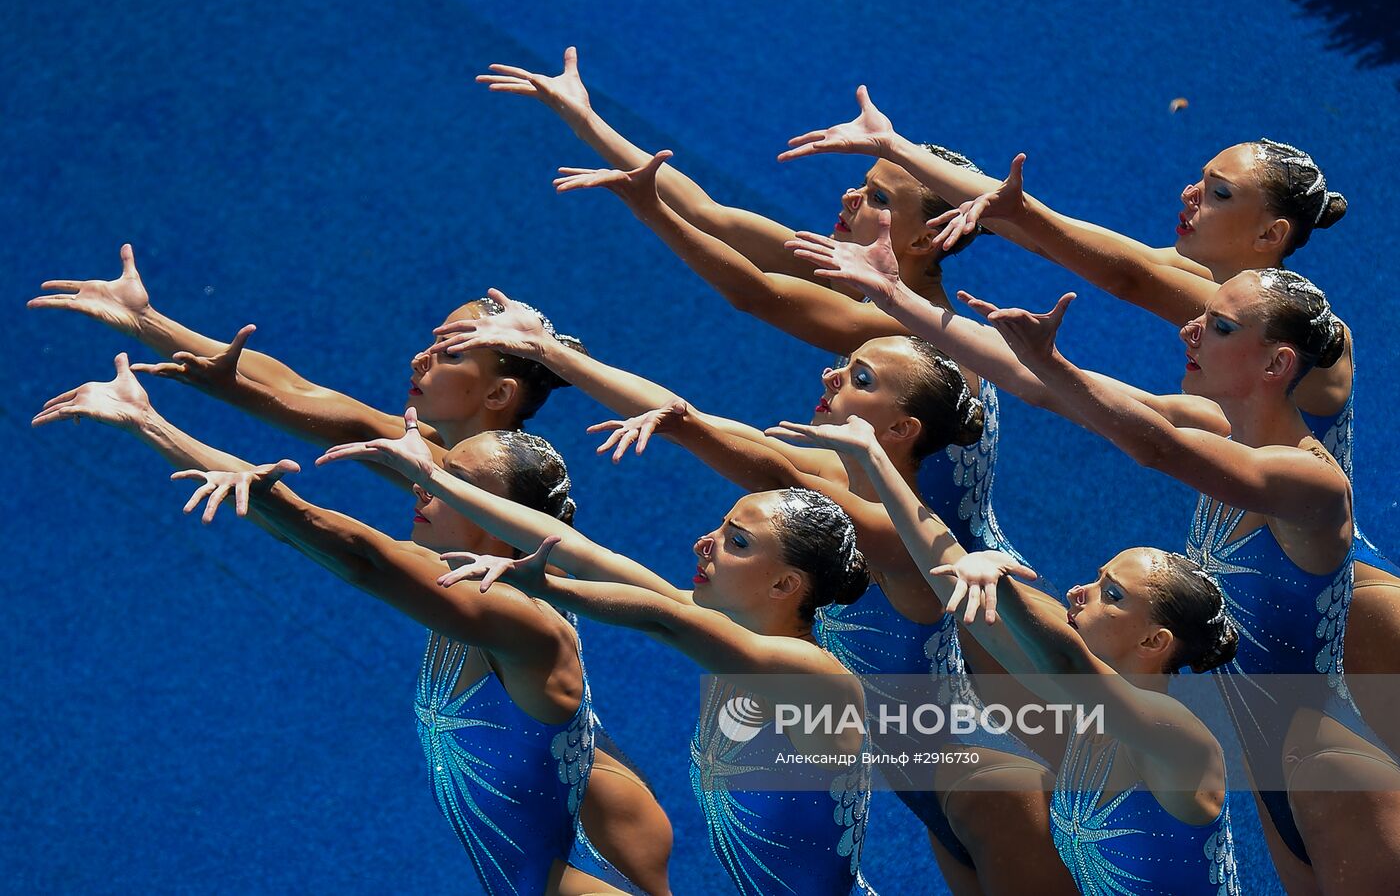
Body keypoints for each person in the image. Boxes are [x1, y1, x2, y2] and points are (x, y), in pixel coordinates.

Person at [25, 248, 672, 893]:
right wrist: (152, 328)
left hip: (545, 730)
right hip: (532, 731)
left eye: (451, 351)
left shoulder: (485, 483)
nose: (421, 358)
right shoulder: (451, 466)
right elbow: (304, 394)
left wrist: (160, 365)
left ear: (499, 393)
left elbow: (348, 519)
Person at [789, 210, 1400, 890]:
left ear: (1276, 363)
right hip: (1274, 763)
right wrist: (896, 297)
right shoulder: (1218, 424)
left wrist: (1050, 361)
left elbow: (1152, 446)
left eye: (1220, 327)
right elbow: (1042, 391)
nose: (1191, 329)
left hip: (1330, 765)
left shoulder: (1310, 481)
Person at [778, 91, 1398, 737]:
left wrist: (919, 173)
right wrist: (898, 167)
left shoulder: (1315, 343)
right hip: (1270, 668)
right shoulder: (1217, 387)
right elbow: (1037, 242)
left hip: (1355, 611)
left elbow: (1114, 273)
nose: (1189, 194)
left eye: (1217, 192)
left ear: (1271, 234)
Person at [430, 274, 1073, 893]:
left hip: (984, 786)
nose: (830, 373)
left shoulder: (894, 541)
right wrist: (548, 357)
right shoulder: (822, 503)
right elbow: (680, 434)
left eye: (860, 377)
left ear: (901, 430)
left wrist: (671, 424)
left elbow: (733, 449)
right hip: (930, 788)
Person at [477, 50, 1028, 572]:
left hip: (938, 573)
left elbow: (756, 294)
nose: (849, 199)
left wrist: (648, 213)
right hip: (878, 537)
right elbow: (707, 212)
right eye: (862, 184)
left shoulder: (915, 332)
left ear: (927, 238)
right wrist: (586, 118)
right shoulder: (864, 277)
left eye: (879, 199)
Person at [315, 416, 877, 895]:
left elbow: (664, 618)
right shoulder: (740, 642)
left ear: (784, 586)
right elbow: (585, 554)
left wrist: (550, 588)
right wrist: (433, 478)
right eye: (720, 528)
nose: (703, 543)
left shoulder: (814, 675)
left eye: (737, 542)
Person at [770, 413, 1243, 894]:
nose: (1080, 592)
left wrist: (1003, 590)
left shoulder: (1177, 735)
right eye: (1098, 578)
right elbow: (953, 581)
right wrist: (873, 456)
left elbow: (1066, 663)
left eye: (1111, 594)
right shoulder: (1084, 712)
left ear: (1153, 642)